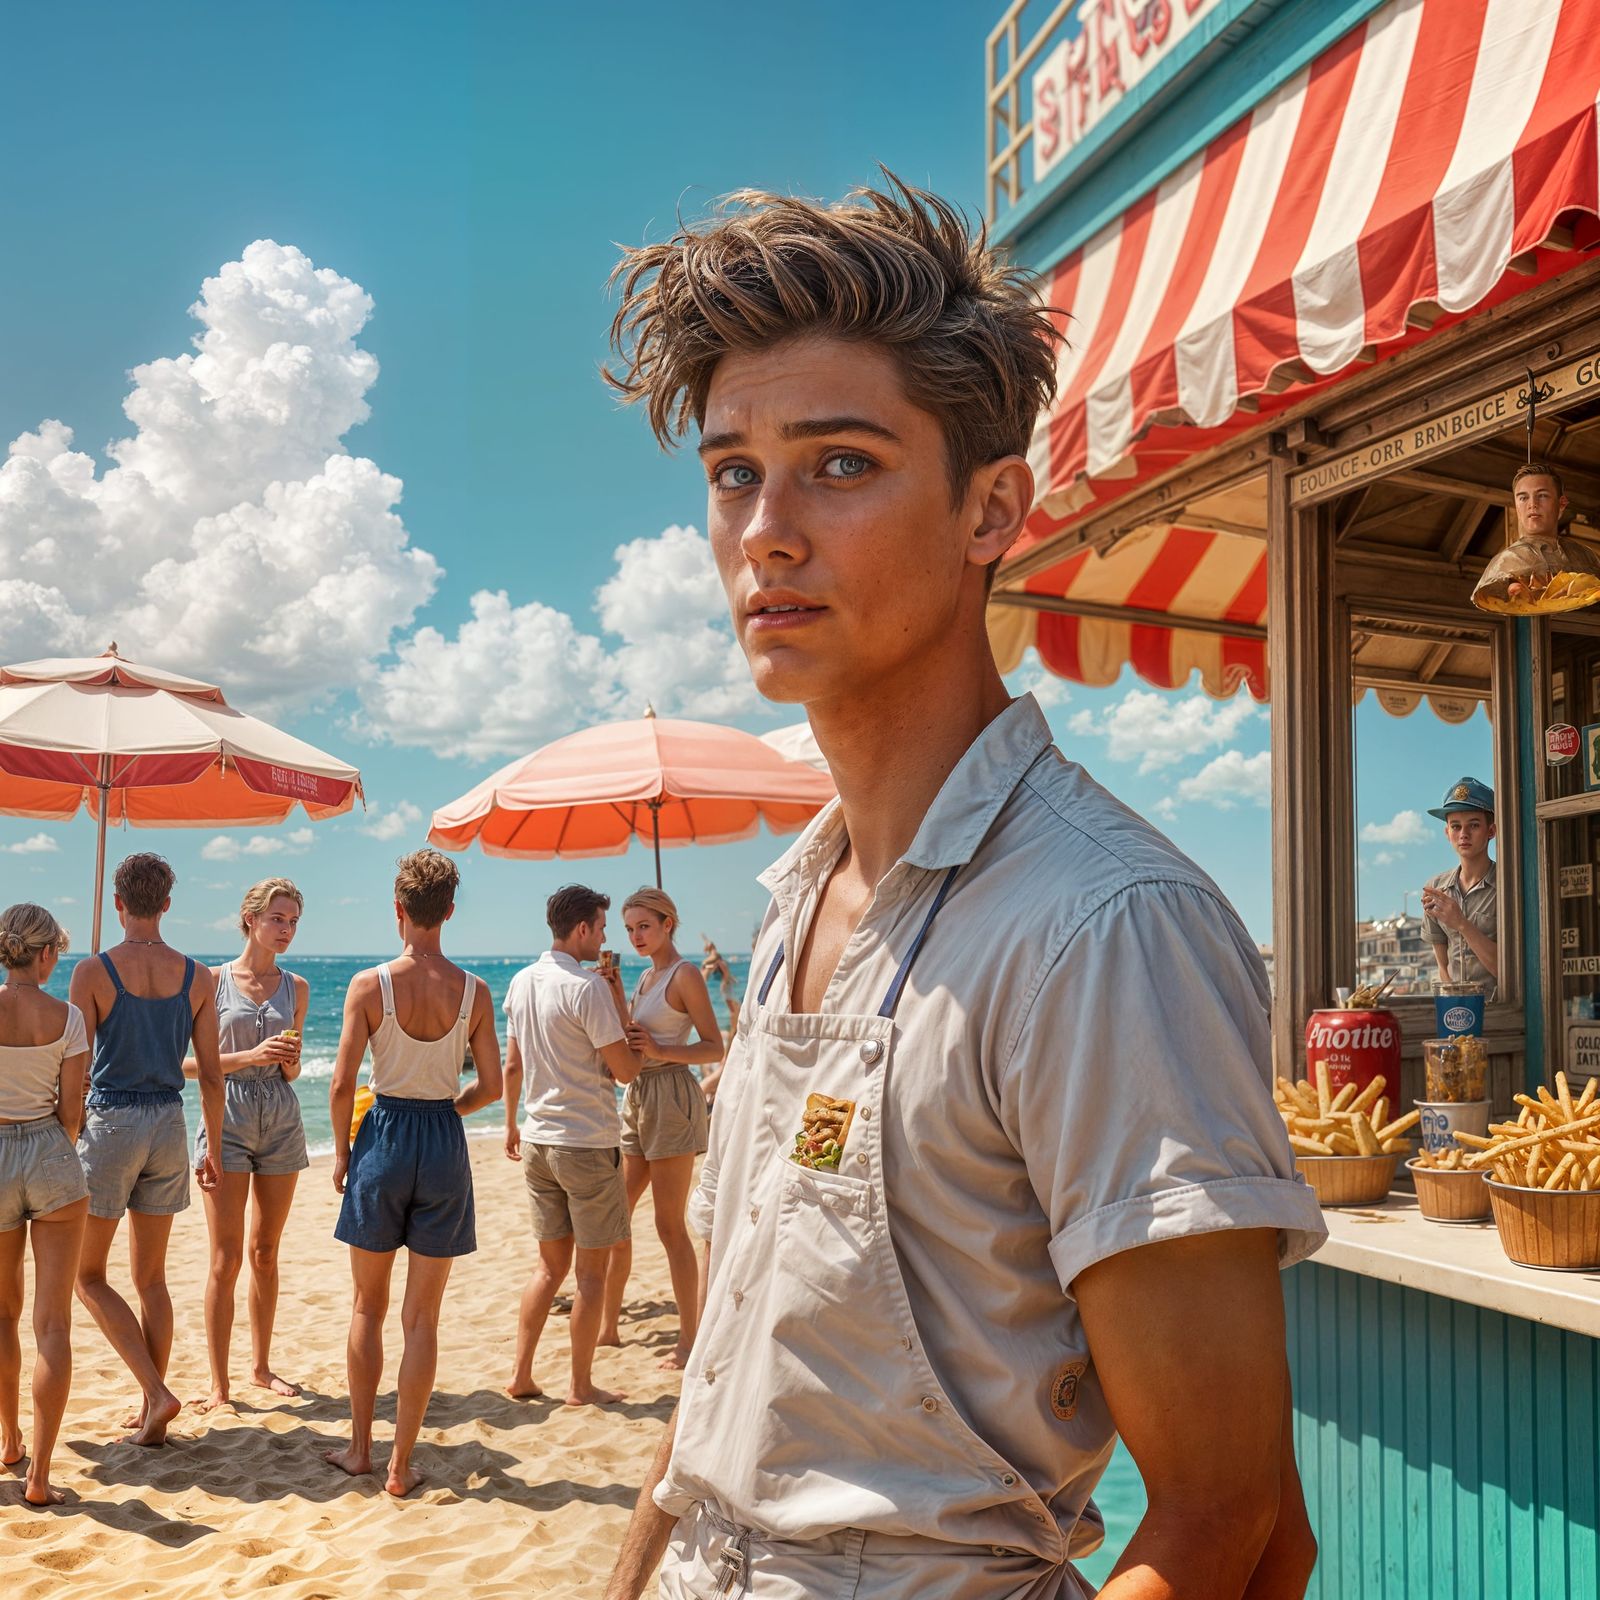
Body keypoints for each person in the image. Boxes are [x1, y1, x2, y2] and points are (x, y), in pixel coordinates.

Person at [600, 174, 1327, 1600]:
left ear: (993, 506)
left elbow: (1233, 1524)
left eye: (844, 463)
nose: (768, 529)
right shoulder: (794, 897)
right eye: (733, 470)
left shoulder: (1101, 926)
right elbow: (727, 1392)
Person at [325, 849, 501, 1497]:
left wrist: (344, 1152)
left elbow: (343, 1081)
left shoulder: (370, 986)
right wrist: (450, 1111)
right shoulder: (475, 991)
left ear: (398, 909)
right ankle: (402, 1466)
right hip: (442, 1138)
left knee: (367, 1307)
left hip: (386, 1136)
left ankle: (361, 1451)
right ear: (449, 911)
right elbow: (491, 1084)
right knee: (421, 1318)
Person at [70, 854, 222, 1448]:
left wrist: (66, 1133)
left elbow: (77, 1070)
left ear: (118, 904)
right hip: (169, 1124)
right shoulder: (198, 977)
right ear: (165, 904)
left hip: (113, 1124)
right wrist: (214, 1145)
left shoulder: (93, 972)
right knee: (151, 1279)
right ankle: (152, 1404)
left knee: (88, 1276)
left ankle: (156, 1393)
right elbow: (211, 1075)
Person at [502, 884, 642, 1406]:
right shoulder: (586, 989)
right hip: (585, 1141)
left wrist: (512, 1123)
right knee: (590, 1272)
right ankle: (580, 1386)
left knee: (547, 1268)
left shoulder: (520, 982)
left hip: (538, 1140)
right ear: (581, 929)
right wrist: (635, 1040)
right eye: (602, 928)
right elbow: (625, 1072)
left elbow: (512, 1064)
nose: (603, 937)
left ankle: (521, 1374)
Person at [185, 878, 311, 1413]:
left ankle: (260, 1368)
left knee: (266, 1253)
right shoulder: (211, 982)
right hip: (226, 1117)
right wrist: (250, 1056)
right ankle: (219, 1386)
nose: (285, 930)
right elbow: (188, 1066)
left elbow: (294, 1071)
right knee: (225, 1258)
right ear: (250, 918)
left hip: (280, 1118)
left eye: (293, 922)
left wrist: (286, 1062)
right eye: (278, 919)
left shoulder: (297, 988)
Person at [599, 889, 724, 1369]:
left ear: (668, 923)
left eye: (644, 926)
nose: (635, 936)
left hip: (672, 1095)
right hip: (639, 1097)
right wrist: (613, 991)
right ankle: (608, 1326)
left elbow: (714, 1046)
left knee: (668, 1225)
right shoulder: (647, 976)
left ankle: (690, 1340)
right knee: (617, 1215)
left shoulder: (684, 974)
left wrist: (662, 1051)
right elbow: (635, 1039)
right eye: (629, 928)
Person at [0, 904, 89, 1505]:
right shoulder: (68, 1017)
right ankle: (40, 1477)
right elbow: (72, 1111)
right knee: (53, 1324)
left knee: (3, 1315)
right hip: (51, 1153)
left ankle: (9, 1441)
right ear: (45, 954)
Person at [1420, 776, 1498, 1001]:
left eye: (1473, 825)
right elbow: (1442, 965)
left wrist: (1461, 923)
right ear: (1447, 833)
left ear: (1491, 831)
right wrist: (1455, 1006)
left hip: (1498, 1010)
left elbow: (1509, 972)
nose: (1463, 834)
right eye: (1456, 826)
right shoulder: (1436, 889)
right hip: (1454, 1012)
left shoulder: (1508, 886)